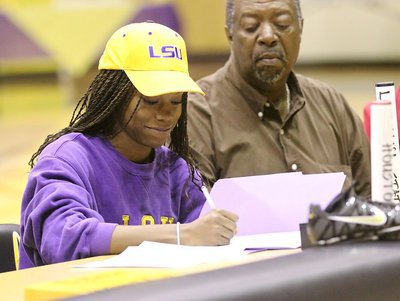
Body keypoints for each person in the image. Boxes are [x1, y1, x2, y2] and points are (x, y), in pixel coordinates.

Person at [19, 22, 238, 269]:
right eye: (151, 100)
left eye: (176, 101)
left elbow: (210, 237)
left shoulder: (177, 171)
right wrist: (180, 235)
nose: (166, 114)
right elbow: (66, 239)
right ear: (115, 94)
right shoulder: (67, 159)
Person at [187, 0, 371, 197]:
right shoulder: (197, 112)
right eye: (251, 26)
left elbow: (375, 207)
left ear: (300, 28)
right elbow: (199, 217)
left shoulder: (333, 105)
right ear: (230, 34)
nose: (268, 36)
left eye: (282, 24)